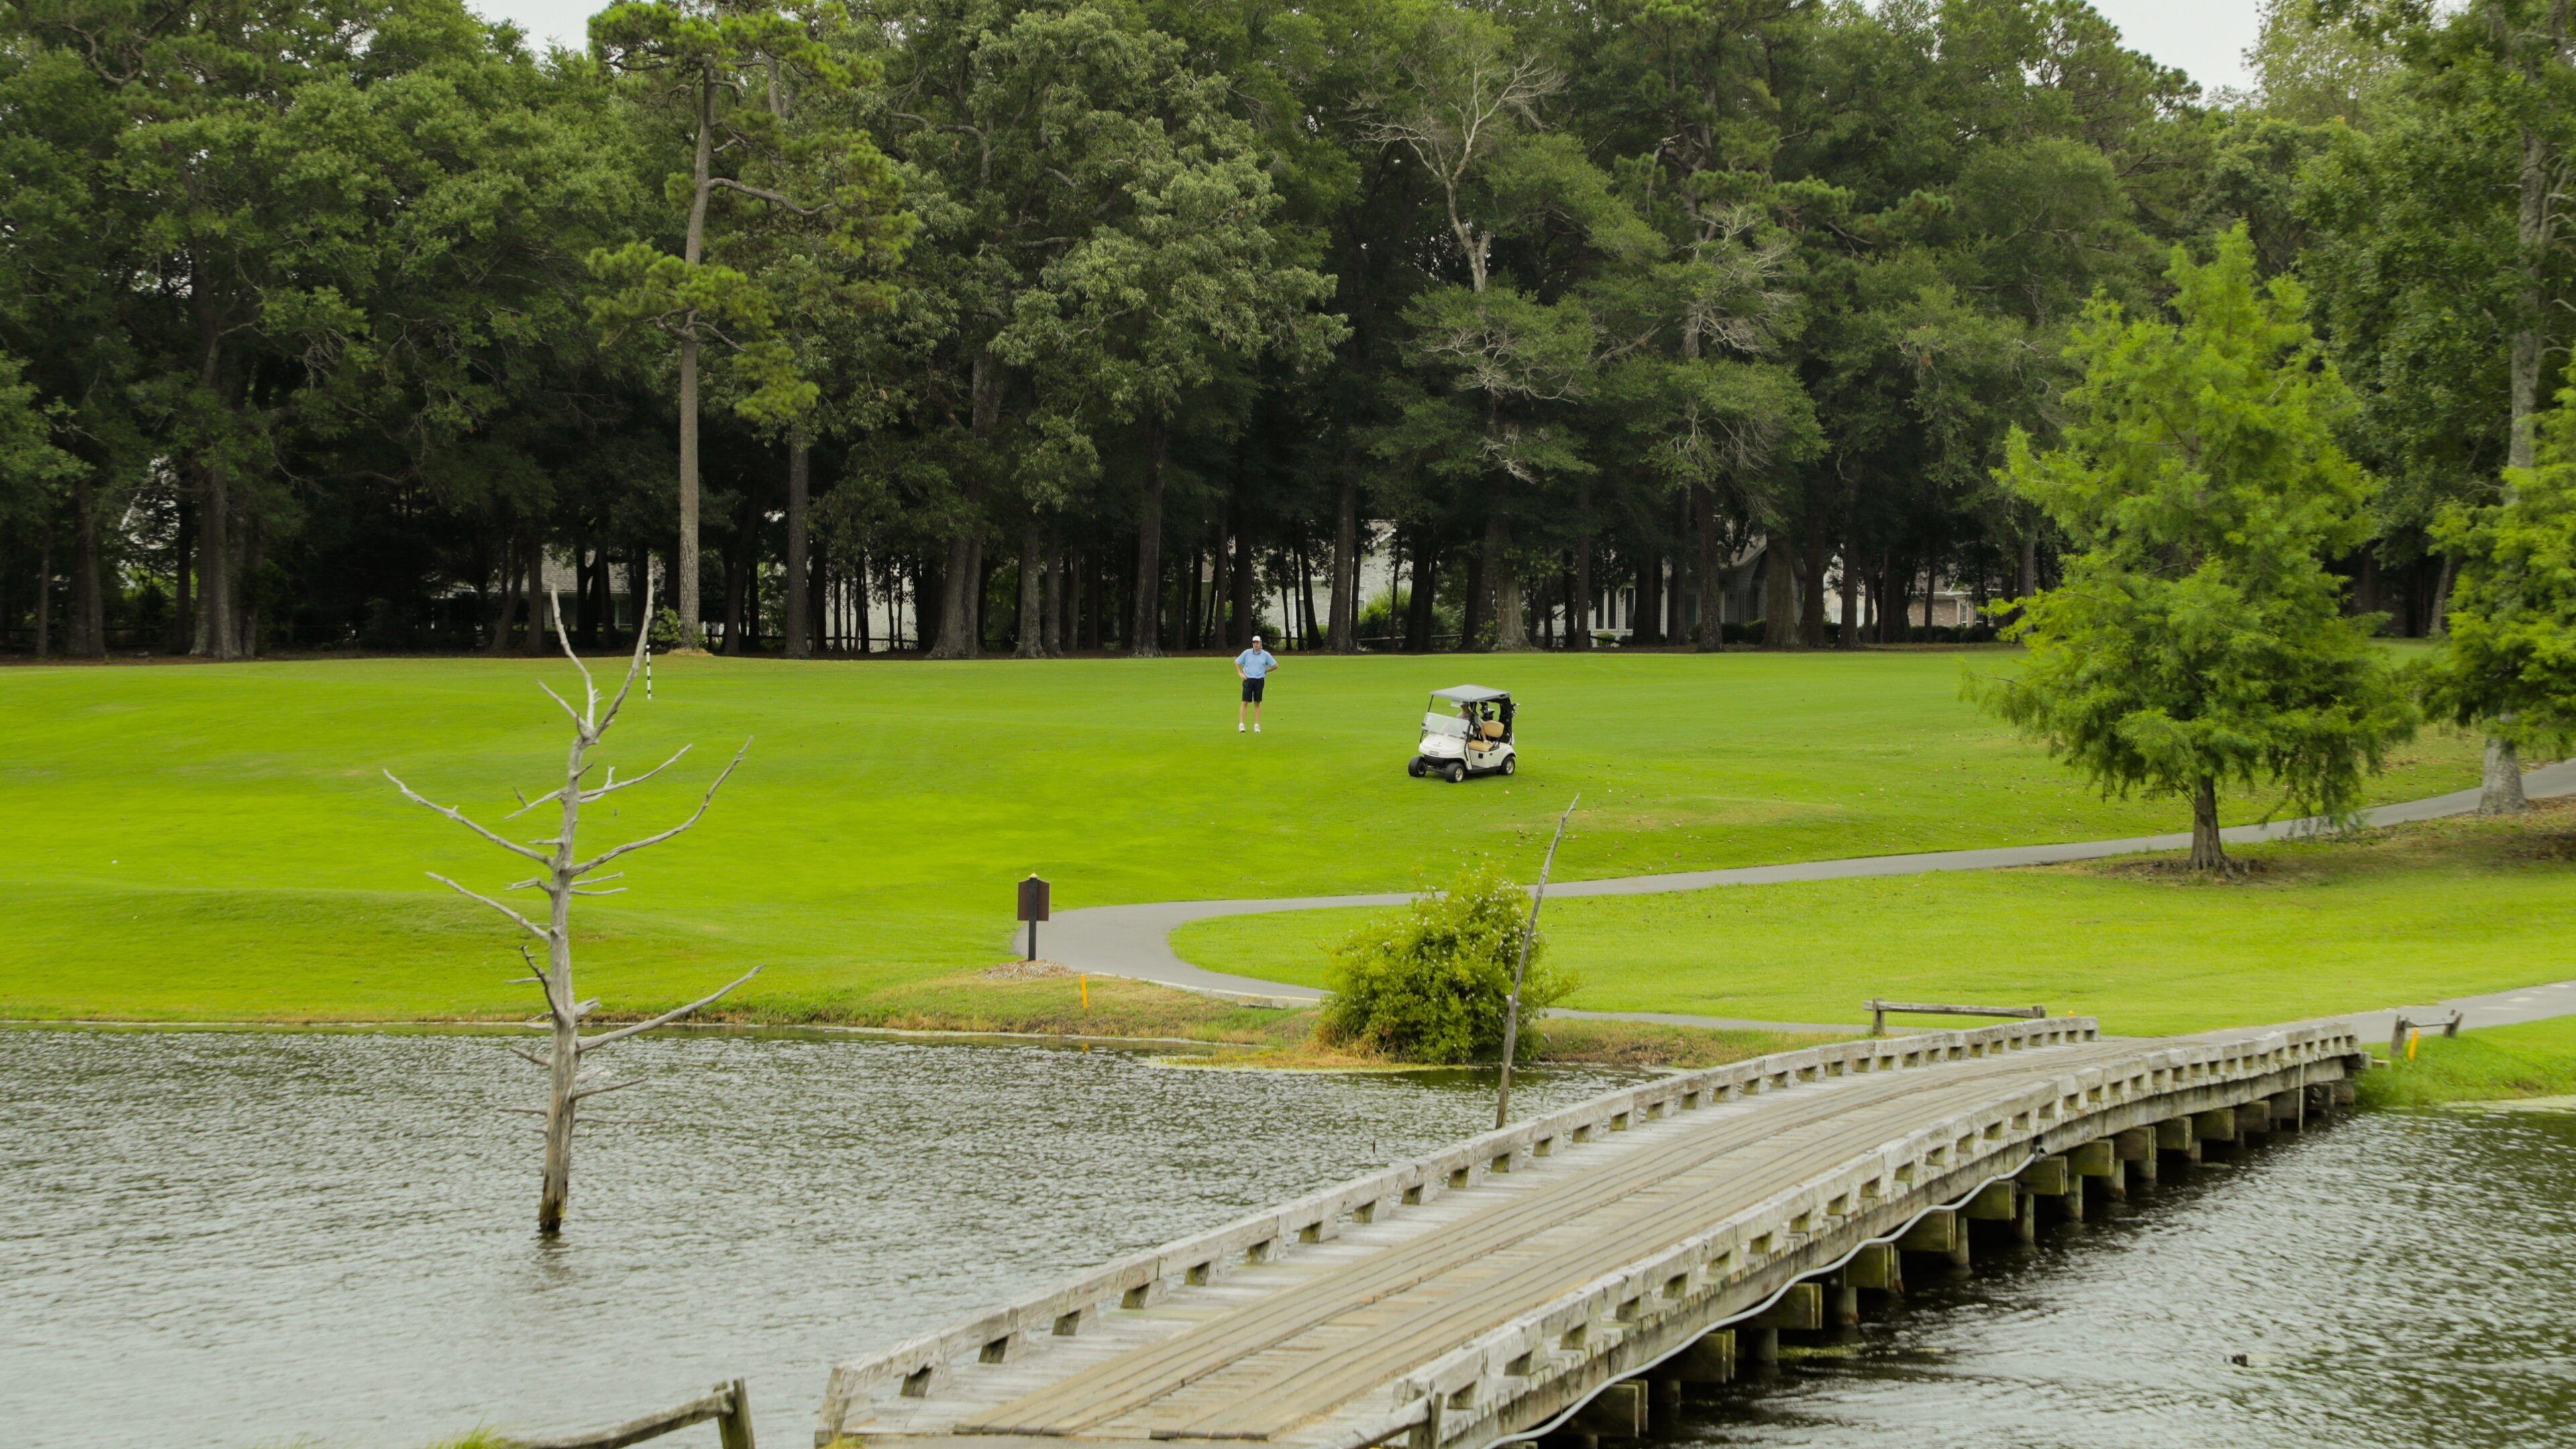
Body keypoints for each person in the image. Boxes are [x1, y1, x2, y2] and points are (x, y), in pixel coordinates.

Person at [1235, 634, 1279, 733]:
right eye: (1254, 643)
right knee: (1245, 702)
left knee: (1257, 703)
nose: (1255, 645)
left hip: (1259, 680)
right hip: (1248, 680)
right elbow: (1237, 662)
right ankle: (1241, 724)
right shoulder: (1247, 653)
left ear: (1261, 643)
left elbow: (1275, 665)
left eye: (1257, 643)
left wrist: (1266, 670)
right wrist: (1240, 673)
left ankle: (1256, 725)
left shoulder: (1265, 655)